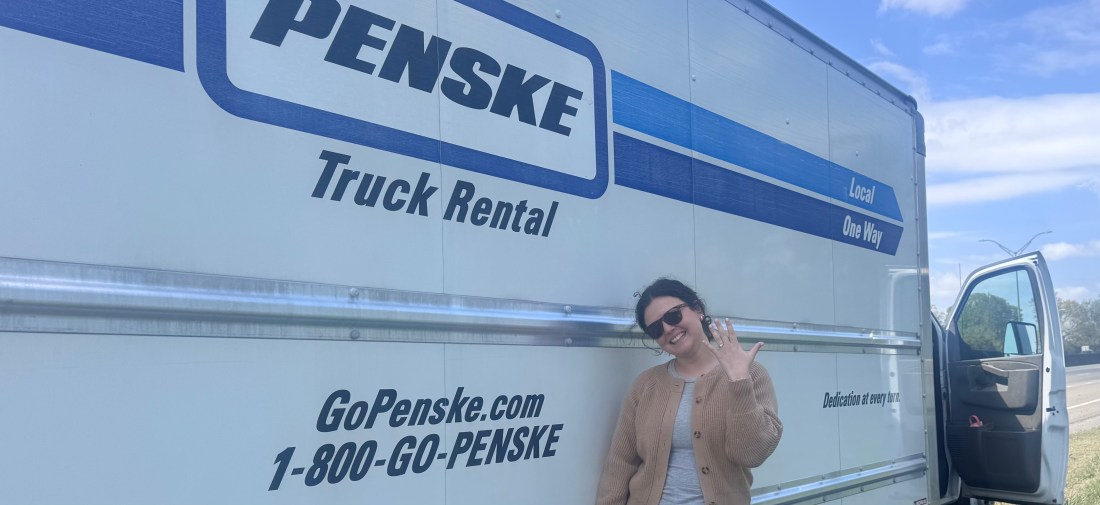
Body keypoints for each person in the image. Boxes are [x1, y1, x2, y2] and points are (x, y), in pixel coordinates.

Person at [596, 278, 783, 505]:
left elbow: (751, 454)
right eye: (655, 329)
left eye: (673, 316)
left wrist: (739, 382)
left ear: (697, 310)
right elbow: (620, 462)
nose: (667, 329)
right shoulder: (645, 385)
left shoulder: (750, 374)